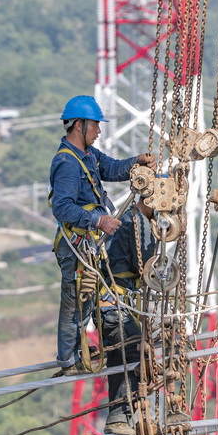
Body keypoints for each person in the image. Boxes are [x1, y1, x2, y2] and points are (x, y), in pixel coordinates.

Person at [49, 95, 154, 376]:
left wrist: (136, 162)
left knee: (84, 301)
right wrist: (99, 220)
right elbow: (62, 208)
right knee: (75, 301)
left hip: (88, 245)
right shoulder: (67, 164)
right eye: (95, 125)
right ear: (79, 125)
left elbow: (110, 168)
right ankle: (68, 361)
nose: (99, 130)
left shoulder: (88, 155)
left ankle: (75, 354)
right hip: (76, 245)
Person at [97, 198, 155, 435]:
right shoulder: (137, 222)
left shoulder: (119, 219)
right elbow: (147, 267)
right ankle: (121, 418)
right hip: (115, 306)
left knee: (118, 360)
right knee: (134, 350)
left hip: (105, 305)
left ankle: (118, 425)